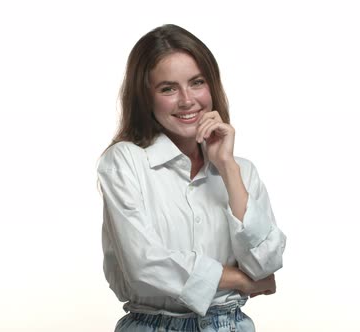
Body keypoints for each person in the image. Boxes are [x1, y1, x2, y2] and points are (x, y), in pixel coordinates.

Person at [97, 24, 287, 331]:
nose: (187, 101)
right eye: (168, 88)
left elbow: (265, 264)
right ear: (146, 97)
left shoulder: (241, 171)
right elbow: (144, 265)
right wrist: (238, 278)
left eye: (197, 83)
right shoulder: (124, 162)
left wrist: (226, 167)